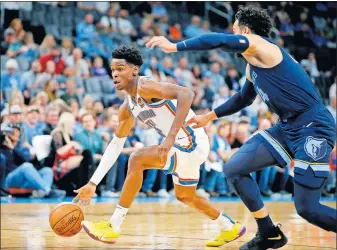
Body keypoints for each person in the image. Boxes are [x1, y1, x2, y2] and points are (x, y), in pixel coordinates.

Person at [147, 5, 336, 250]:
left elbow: (215, 41)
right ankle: (268, 232)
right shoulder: (252, 64)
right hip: (287, 127)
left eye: (235, 28)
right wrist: (210, 116)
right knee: (234, 168)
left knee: (307, 209)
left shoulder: (262, 46)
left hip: (313, 127)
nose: (232, 32)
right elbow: (243, 99)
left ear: (245, 30)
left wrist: (175, 46)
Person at [73, 45, 246, 246]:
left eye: (120, 69)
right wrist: (92, 184)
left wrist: (170, 137)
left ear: (135, 70)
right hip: (181, 147)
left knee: (137, 159)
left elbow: (187, 94)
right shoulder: (127, 107)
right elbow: (115, 144)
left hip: (191, 142)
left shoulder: (145, 86)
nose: (115, 74)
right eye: (113, 70)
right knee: (185, 196)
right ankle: (229, 226)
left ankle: (114, 225)